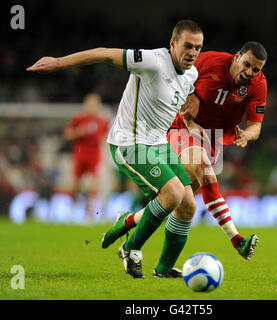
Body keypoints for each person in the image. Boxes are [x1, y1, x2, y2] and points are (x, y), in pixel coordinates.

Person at [27, 20, 204, 279]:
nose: (193, 53)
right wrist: (58, 62)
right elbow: (104, 53)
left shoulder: (192, 74)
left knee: (188, 205)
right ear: (173, 43)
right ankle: (130, 249)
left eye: (198, 48)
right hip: (130, 142)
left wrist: (190, 123)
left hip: (158, 142)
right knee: (173, 194)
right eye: (187, 46)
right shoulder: (152, 61)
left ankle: (163, 268)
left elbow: (173, 104)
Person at [102, 42, 267, 260]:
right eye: (247, 65)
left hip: (213, 138)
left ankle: (128, 224)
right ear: (237, 56)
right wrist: (187, 105)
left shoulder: (258, 84)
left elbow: (256, 126)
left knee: (179, 201)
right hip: (183, 126)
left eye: (256, 69)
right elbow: (177, 79)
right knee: (203, 171)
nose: (250, 72)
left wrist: (247, 134)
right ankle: (237, 240)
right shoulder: (210, 61)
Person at [64, 93, 109, 222]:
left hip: (94, 156)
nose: (92, 107)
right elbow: (67, 134)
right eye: (90, 104)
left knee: (93, 184)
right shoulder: (78, 118)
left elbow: (105, 136)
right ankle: (71, 210)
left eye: (95, 104)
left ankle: (89, 215)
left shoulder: (102, 121)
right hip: (80, 155)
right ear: (86, 105)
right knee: (75, 185)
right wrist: (79, 132)